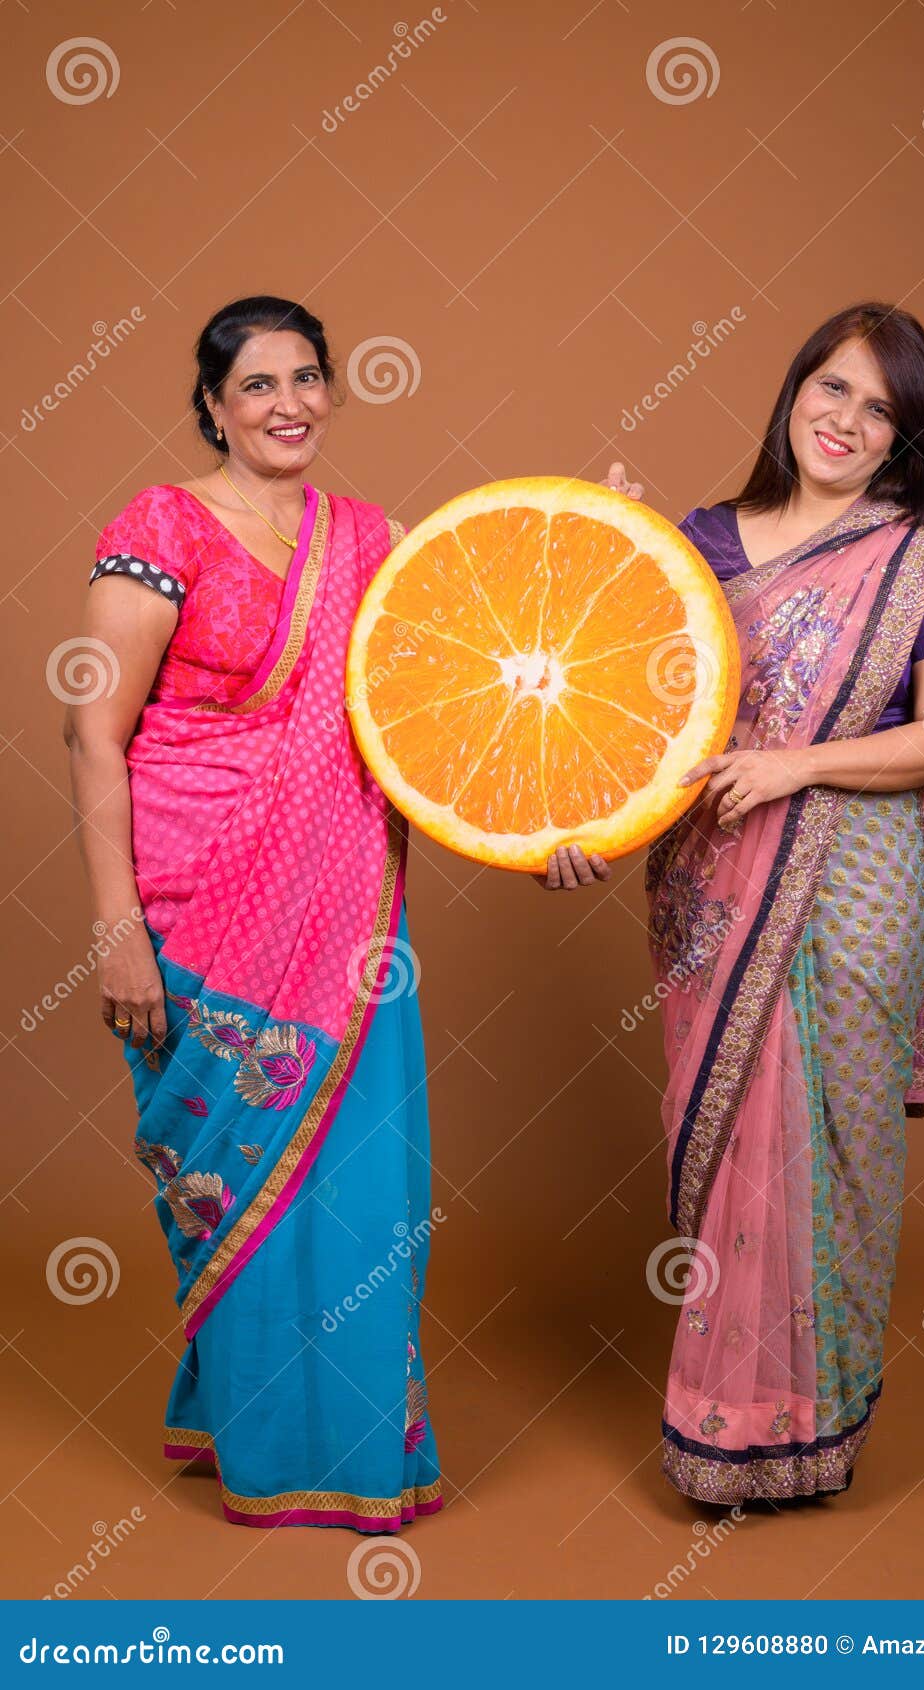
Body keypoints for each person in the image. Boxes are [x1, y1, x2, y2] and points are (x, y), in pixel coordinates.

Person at [541, 301, 924, 1504]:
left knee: (833, 1152)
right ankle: (730, 1419)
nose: (845, 420)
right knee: (732, 1144)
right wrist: (611, 558)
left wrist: (796, 765)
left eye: (880, 408)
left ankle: (805, 1427)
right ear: (794, 388)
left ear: (906, 437)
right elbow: (628, 712)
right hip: (714, 887)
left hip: (853, 889)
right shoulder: (698, 539)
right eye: (831, 388)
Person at [64, 296, 442, 1533]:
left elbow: (444, 700)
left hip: (342, 916)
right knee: (229, 1177)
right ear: (216, 405)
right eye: (260, 384)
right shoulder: (161, 526)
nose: (290, 405)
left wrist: (599, 547)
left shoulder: (369, 539)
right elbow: (94, 730)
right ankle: (262, 1429)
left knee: (355, 1187)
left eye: (309, 379)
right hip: (195, 901)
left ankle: (329, 1440)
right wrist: (116, 923)